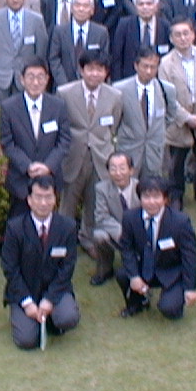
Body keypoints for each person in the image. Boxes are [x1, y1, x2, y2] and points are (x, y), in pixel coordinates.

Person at [0, 178, 82, 350]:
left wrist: (50, 300)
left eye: (48, 197)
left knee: (68, 318)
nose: (43, 203)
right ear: (29, 200)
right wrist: (27, 302)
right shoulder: (15, 228)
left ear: (55, 199)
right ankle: (27, 317)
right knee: (26, 341)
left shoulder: (67, 227)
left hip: (55, 290)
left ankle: (51, 317)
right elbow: (10, 268)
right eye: (38, 197)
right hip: (25, 291)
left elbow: (67, 268)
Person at [57, 51, 122, 251]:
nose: (95, 74)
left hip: (101, 157)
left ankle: (88, 239)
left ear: (106, 72)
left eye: (99, 69)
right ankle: (62, 241)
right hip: (73, 157)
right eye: (90, 69)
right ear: (81, 70)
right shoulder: (64, 93)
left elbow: (113, 126)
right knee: (68, 203)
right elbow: (61, 126)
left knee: (94, 202)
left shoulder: (115, 96)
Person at [117, 176, 196, 320]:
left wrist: (190, 288)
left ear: (165, 199)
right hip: (144, 267)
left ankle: (175, 298)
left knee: (169, 309)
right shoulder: (130, 218)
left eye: (156, 197)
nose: (151, 202)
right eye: (146, 197)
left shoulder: (180, 222)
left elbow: (190, 256)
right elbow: (126, 248)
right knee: (123, 274)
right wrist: (134, 276)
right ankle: (138, 302)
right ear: (140, 198)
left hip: (171, 272)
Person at [160, 19, 196, 210]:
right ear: (171, 39)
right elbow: (167, 95)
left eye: (186, 33)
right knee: (176, 164)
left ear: (193, 35)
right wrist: (186, 117)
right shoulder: (165, 63)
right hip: (179, 121)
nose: (182, 38)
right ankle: (176, 195)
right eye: (177, 35)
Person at [0, 60, 71, 219]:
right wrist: (28, 166)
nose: (36, 82)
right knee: (19, 224)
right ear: (22, 79)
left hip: (50, 178)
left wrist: (48, 166)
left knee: (48, 226)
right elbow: (7, 142)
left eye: (40, 77)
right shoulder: (9, 107)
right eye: (31, 77)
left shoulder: (58, 106)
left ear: (47, 79)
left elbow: (64, 140)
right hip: (20, 179)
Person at [115, 47, 185, 180]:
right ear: (136, 66)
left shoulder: (167, 89)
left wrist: (156, 131)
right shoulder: (120, 89)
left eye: (153, 67)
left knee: (152, 186)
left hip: (154, 152)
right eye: (145, 66)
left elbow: (170, 115)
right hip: (129, 149)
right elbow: (116, 119)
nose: (149, 71)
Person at [91, 152, 140, 286]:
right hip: (116, 233)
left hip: (138, 233)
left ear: (131, 170)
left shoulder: (140, 187)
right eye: (113, 169)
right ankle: (105, 270)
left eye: (122, 168)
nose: (118, 173)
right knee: (99, 235)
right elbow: (101, 217)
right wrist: (123, 234)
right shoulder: (101, 189)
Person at [48, 0, 108, 89]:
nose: (81, 9)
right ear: (71, 9)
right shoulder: (59, 31)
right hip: (63, 85)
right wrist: (64, 84)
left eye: (85, 6)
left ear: (92, 11)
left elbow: (103, 60)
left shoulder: (101, 32)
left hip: (92, 86)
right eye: (77, 5)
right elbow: (54, 59)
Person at [112, 0, 171, 80]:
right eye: (141, 4)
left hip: (158, 79)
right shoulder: (124, 24)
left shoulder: (165, 26)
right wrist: (117, 81)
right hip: (129, 78)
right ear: (135, 7)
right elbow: (117, 56)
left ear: (156, 6)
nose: (145, 7)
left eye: (149, 4)